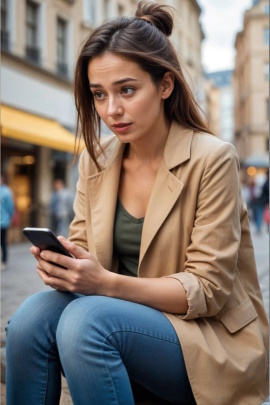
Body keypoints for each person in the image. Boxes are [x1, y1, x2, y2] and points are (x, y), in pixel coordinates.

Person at [5, 2, 269, 404]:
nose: (112, 110)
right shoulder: (96, 161)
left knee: (85, 322)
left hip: (205, 338)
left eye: (127, 90)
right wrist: (67, 267)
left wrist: (102, 283)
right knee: (28, 320)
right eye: (99, 94)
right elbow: (87, 255)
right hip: (119, 318)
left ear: (165, 85)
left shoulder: (213, 158)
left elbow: (207, 289)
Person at [1, 174, 14, 270]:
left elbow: (10, 208)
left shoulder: (6, 192)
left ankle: (4, 261)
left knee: (2, 242)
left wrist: (8, 218)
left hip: (3, 221)